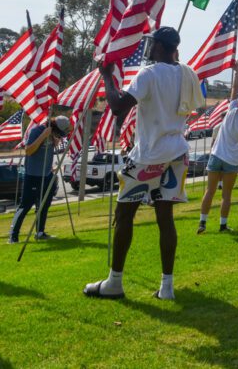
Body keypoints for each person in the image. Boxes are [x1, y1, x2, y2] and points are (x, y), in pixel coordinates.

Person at [85, 26, 205, 300]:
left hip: (148, 155)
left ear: (160, 47)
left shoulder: (148, 74)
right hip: (177, 152)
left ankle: (114, 283)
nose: (148, 49)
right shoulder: (188, 73)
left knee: (124, 216)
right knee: (166, 220)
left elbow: (118, 107)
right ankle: (167, 287)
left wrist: (107, 78)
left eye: (152, 45)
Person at [198, 62, 238, 234]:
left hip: (216, 155)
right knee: (226, 195)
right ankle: (223, 225)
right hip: (231, 160)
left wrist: (236, 72)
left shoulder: (230, 111)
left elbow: (234, 90)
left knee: (210, 191)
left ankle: (202, 223)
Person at [8, 115, 70, 244]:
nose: (59, 135)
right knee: (25, 206)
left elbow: (46, 154)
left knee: (43, 205)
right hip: (32, 175)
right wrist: (43, 136)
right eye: (58, 132)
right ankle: (13, 237)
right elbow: (29, 151)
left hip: (47, 175)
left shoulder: (53, 136)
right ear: (53, 126)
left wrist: (54, 143)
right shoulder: (36, 131)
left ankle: (40, 233)